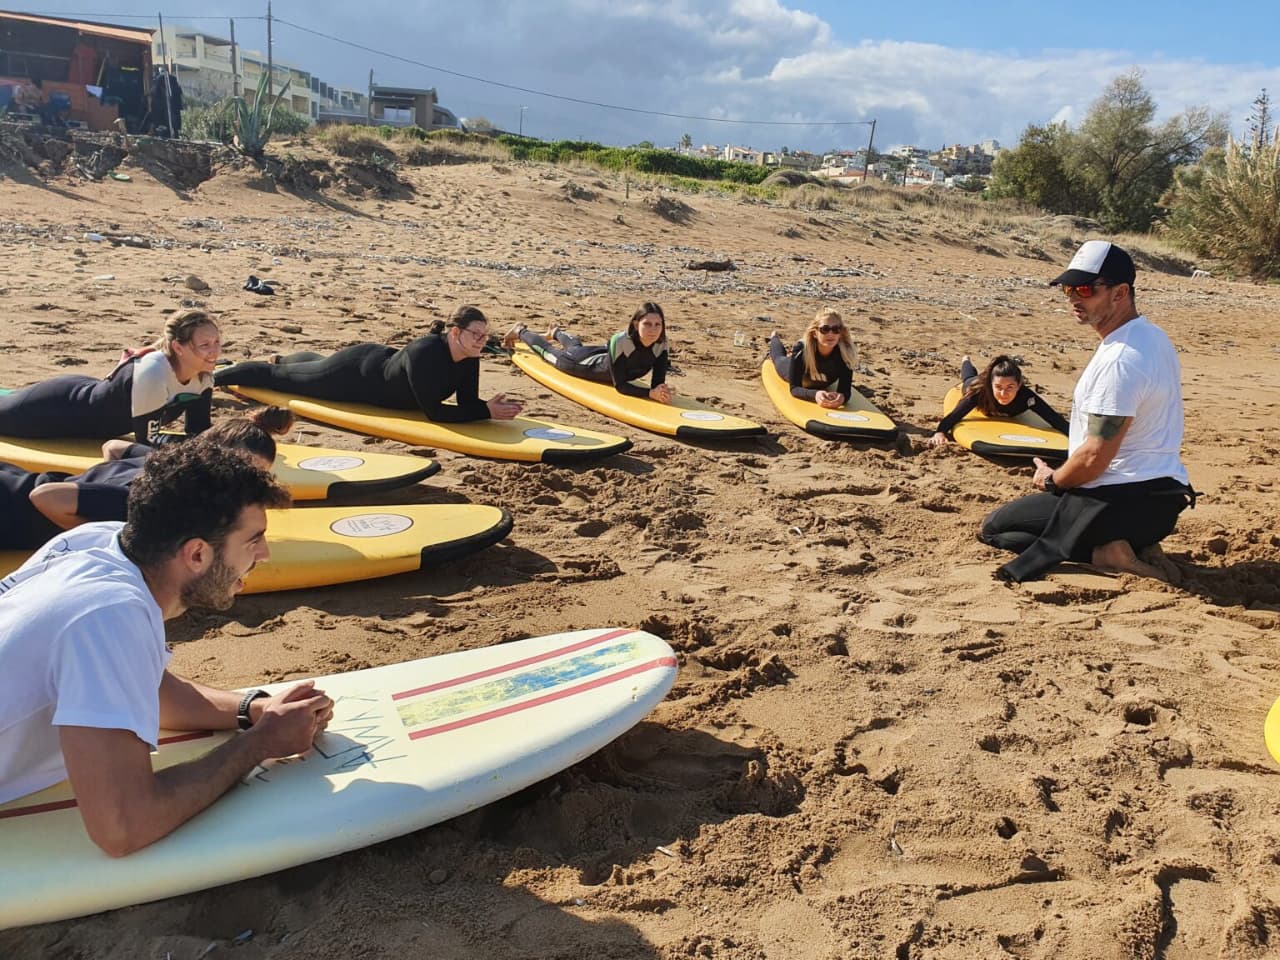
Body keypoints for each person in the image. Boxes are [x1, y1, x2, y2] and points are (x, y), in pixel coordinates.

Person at [0, 441, 332, 856]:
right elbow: (122, 827)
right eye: (254, 540)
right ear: (196, 553)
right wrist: (261, 744)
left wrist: (251, 710)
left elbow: (147, 688)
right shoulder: (109, 614)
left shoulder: (94, 542)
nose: (263, 554)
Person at [978, 241, 1195, 583]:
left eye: (1085, 288)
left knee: (996, 529)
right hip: (1161, 499)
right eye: (1068, 289)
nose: (1073, 298)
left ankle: (1108, 553)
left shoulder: (1121, 359)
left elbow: (1095, 457)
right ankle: (1135, 544)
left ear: (1120, 292)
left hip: (1121, 502)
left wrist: (1053, 480)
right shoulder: (1152, 336)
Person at [0, 408, 293, 549]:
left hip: (17, 478)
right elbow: (46, 498)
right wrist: (109, 540)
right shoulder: (149, 501)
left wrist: (104, 478)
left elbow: (113, 447)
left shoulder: (161, 462)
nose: (249, 486)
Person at [215, 305, 522, 422]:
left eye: (486, 336)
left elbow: (466, 402)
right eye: (476, 335)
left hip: (377, 362)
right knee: (281, 377)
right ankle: (214, 376)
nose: (483, 341)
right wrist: (484, 412)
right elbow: (435, 413)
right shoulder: (425, 353)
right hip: (354, 376)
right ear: (455, 332)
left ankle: (283, 355)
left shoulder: (469, 357)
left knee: (311, 365)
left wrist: (486, 406)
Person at [0, 310, 219, 445]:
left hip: (85, 399)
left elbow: (198, 431)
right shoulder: (154, 371)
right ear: (178, 348)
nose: (215, 351)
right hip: (56, 410)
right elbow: (148, 441)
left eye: (217, 342)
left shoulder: (203, 376)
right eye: (205, 345)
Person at [505, 302, 673, 403]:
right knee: (549, 353)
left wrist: (661, 391)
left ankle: (555, 332)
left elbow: (657, 383)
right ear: (636, 325)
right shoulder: (621, 341)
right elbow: (620, 386)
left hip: (596, 355)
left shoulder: (662, 344)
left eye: (658, 324)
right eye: (647, 324)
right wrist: (650, 394)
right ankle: (520, 331)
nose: (653, 330)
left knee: (576, 348)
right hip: (581, 365)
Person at [927, 354, 1069, 446]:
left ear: (1019, 385)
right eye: (998, 387)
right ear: (991, 384)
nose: (1003, 393)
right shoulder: (978, 393)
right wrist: (940, 432)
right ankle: (966, 360)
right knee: (968, 378)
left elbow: (1054, 418)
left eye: (1010, 387)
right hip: (973, 384)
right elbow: (953, 416)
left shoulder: (1027, 397)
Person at [767, 309, 856, 409]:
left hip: (819, 382)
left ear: (840, 333)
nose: (830, 334)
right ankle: (774, 338)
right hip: (800, 376)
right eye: (825, 329)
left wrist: (842, 397)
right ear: (815, 333)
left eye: (836, 329)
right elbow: (794, 389)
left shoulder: (846, 354)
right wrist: (815, 394)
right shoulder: (802, 349)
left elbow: (845, 390)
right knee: (778, 358)